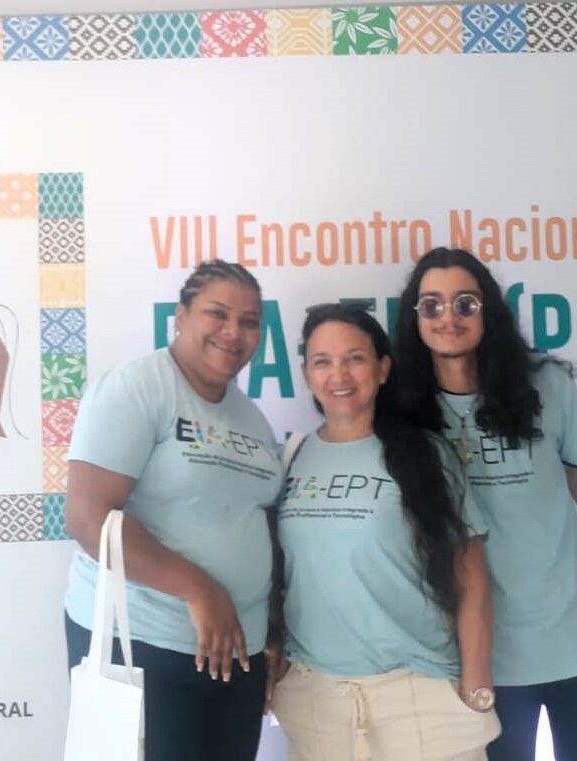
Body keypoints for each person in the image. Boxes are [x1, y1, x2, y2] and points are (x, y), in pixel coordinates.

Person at [394, 247, 577, 761]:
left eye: (465, 302)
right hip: (480, 655)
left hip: (576, 638)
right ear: (414, 318)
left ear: (489, 311)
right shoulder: (402, 408)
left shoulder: (546, 384)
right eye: (431, 306)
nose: (448, 318)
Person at [64, 259, 283, 761]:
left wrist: (268, 631)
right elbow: (87, 517)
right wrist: (199, 588)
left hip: (237, 654)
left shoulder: (250, 417)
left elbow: (254, 525)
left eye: (250, 322)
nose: (234, 332)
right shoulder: (137, 388)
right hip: (144, 644)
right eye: (217, 313)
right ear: (179, 317)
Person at [271, 303, 500, 761]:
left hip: (421, 699)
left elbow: (471, 576)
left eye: (355, 358)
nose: (339, 374)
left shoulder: (425, 455)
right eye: (323, 361)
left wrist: (476, 688)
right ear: (307, 373)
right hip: (318, 701)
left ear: (382, 369)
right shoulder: (292, 456)